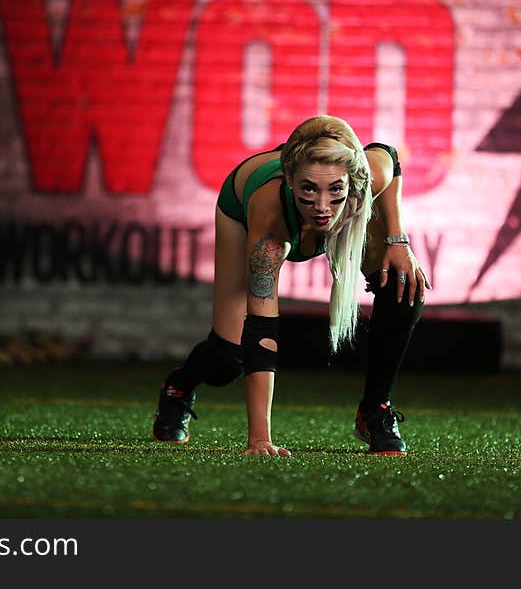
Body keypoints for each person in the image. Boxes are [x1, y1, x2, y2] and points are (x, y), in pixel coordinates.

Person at [152, 115, 431, 456]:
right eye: (309, 189)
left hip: (344, 200)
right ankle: (179, 387)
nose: (323, 208)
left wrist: (397, 240)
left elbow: (388, 155)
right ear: (289, 181)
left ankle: (376, 409)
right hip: (239, 212)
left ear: (354, 182)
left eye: (336, 190)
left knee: (403, 284)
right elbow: (262, 329)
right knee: (229, 358)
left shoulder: (368, 176)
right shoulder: (270, 223)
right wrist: (259, 440)